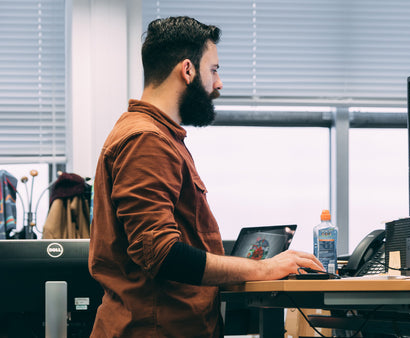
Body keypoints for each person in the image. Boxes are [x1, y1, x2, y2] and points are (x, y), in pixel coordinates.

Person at [88, 16, 323, 337]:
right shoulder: (147, 140)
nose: (219, 83)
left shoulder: (159, 136)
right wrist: (264, 267)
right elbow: (162, 253)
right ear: (187, 70)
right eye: (213, 70)